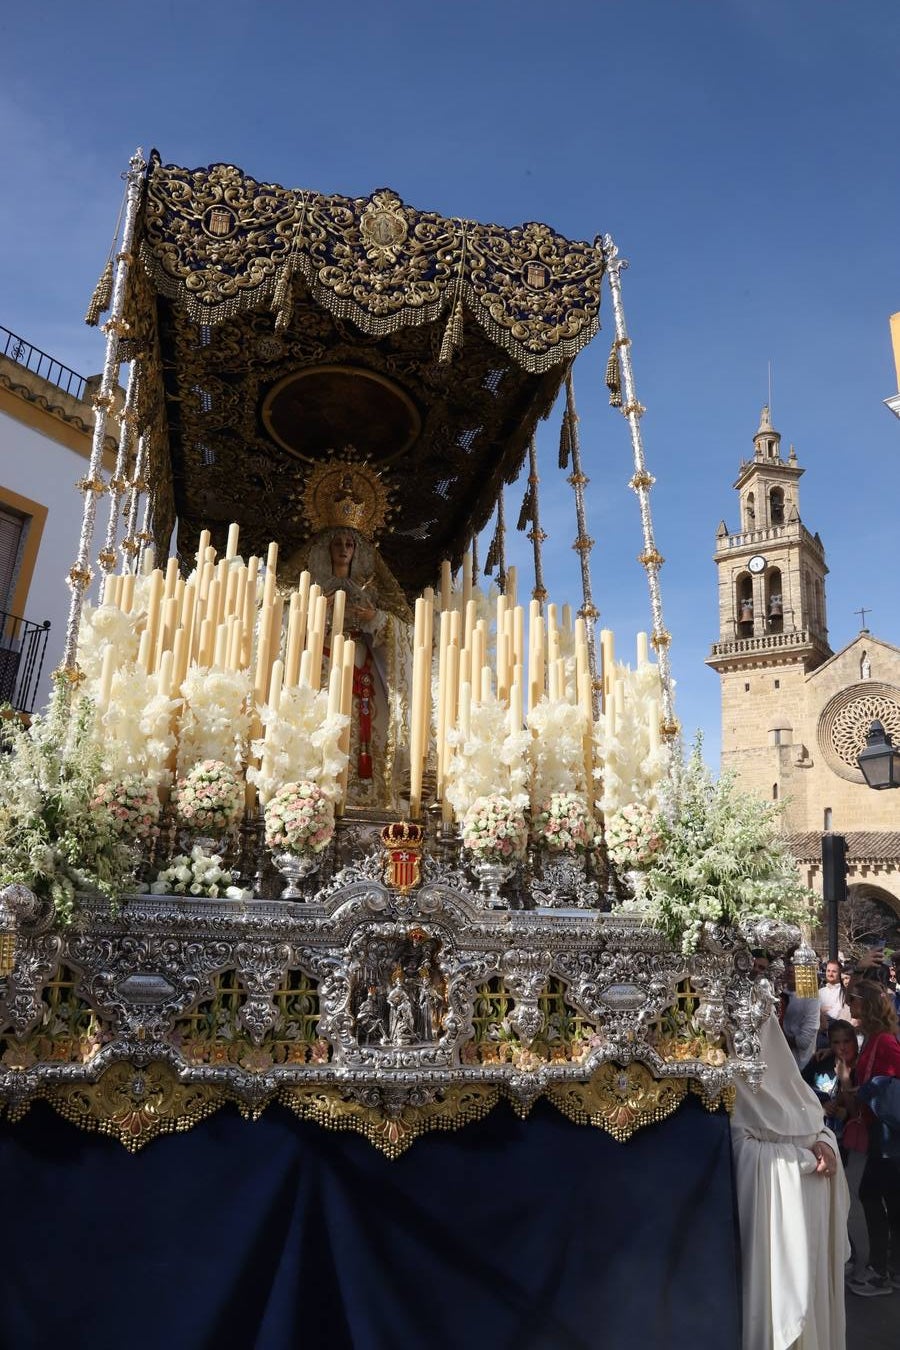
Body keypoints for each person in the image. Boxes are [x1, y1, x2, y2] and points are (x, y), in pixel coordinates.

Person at [732, 1011, 850, 1350]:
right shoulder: (734, 1091)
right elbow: (741, 1152)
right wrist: (805, 1160)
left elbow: (819, 1126)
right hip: (773, 1231)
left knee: (812, 1299)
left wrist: (826, 1144)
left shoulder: (795, 1087)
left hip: (809, 1218)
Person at [843, 980, 900, 1298]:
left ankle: (882, 1272)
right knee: (891, 1200)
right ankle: (889, 1269)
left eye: (853, 999)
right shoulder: (876, 1038)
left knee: (871, 1194)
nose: (849, 1004)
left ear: (865, 1003)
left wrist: (858, 1089)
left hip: (889, 1134)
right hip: (884, 1133)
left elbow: (890, 1085)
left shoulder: (885, 1041)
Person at [817, 959, 852, 1026]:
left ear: (839, 973)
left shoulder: (844, 991)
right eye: (828, 971)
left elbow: (835, 1014)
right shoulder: (820, 992)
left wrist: (820, 1010)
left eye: (834, 971)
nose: (830, 974)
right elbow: (812, 1012)